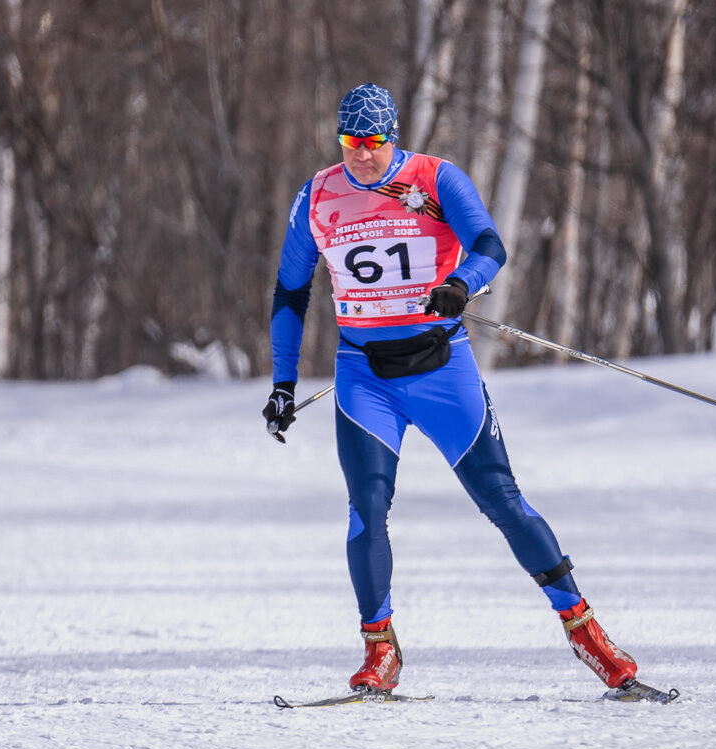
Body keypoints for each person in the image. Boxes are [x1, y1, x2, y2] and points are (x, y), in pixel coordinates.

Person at [262, 83, 644, 696]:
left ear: (394, 136)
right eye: (351, 141)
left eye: (374, 141)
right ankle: (380, 649)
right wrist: (282, 383)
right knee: (366, 511)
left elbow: (490, 244)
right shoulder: (318, 194)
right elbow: (289, 291)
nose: (362, 154)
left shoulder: (435, 179)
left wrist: (461, 284)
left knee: (502, 500)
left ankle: (585, 632)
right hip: (364, 376)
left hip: (442, 369)